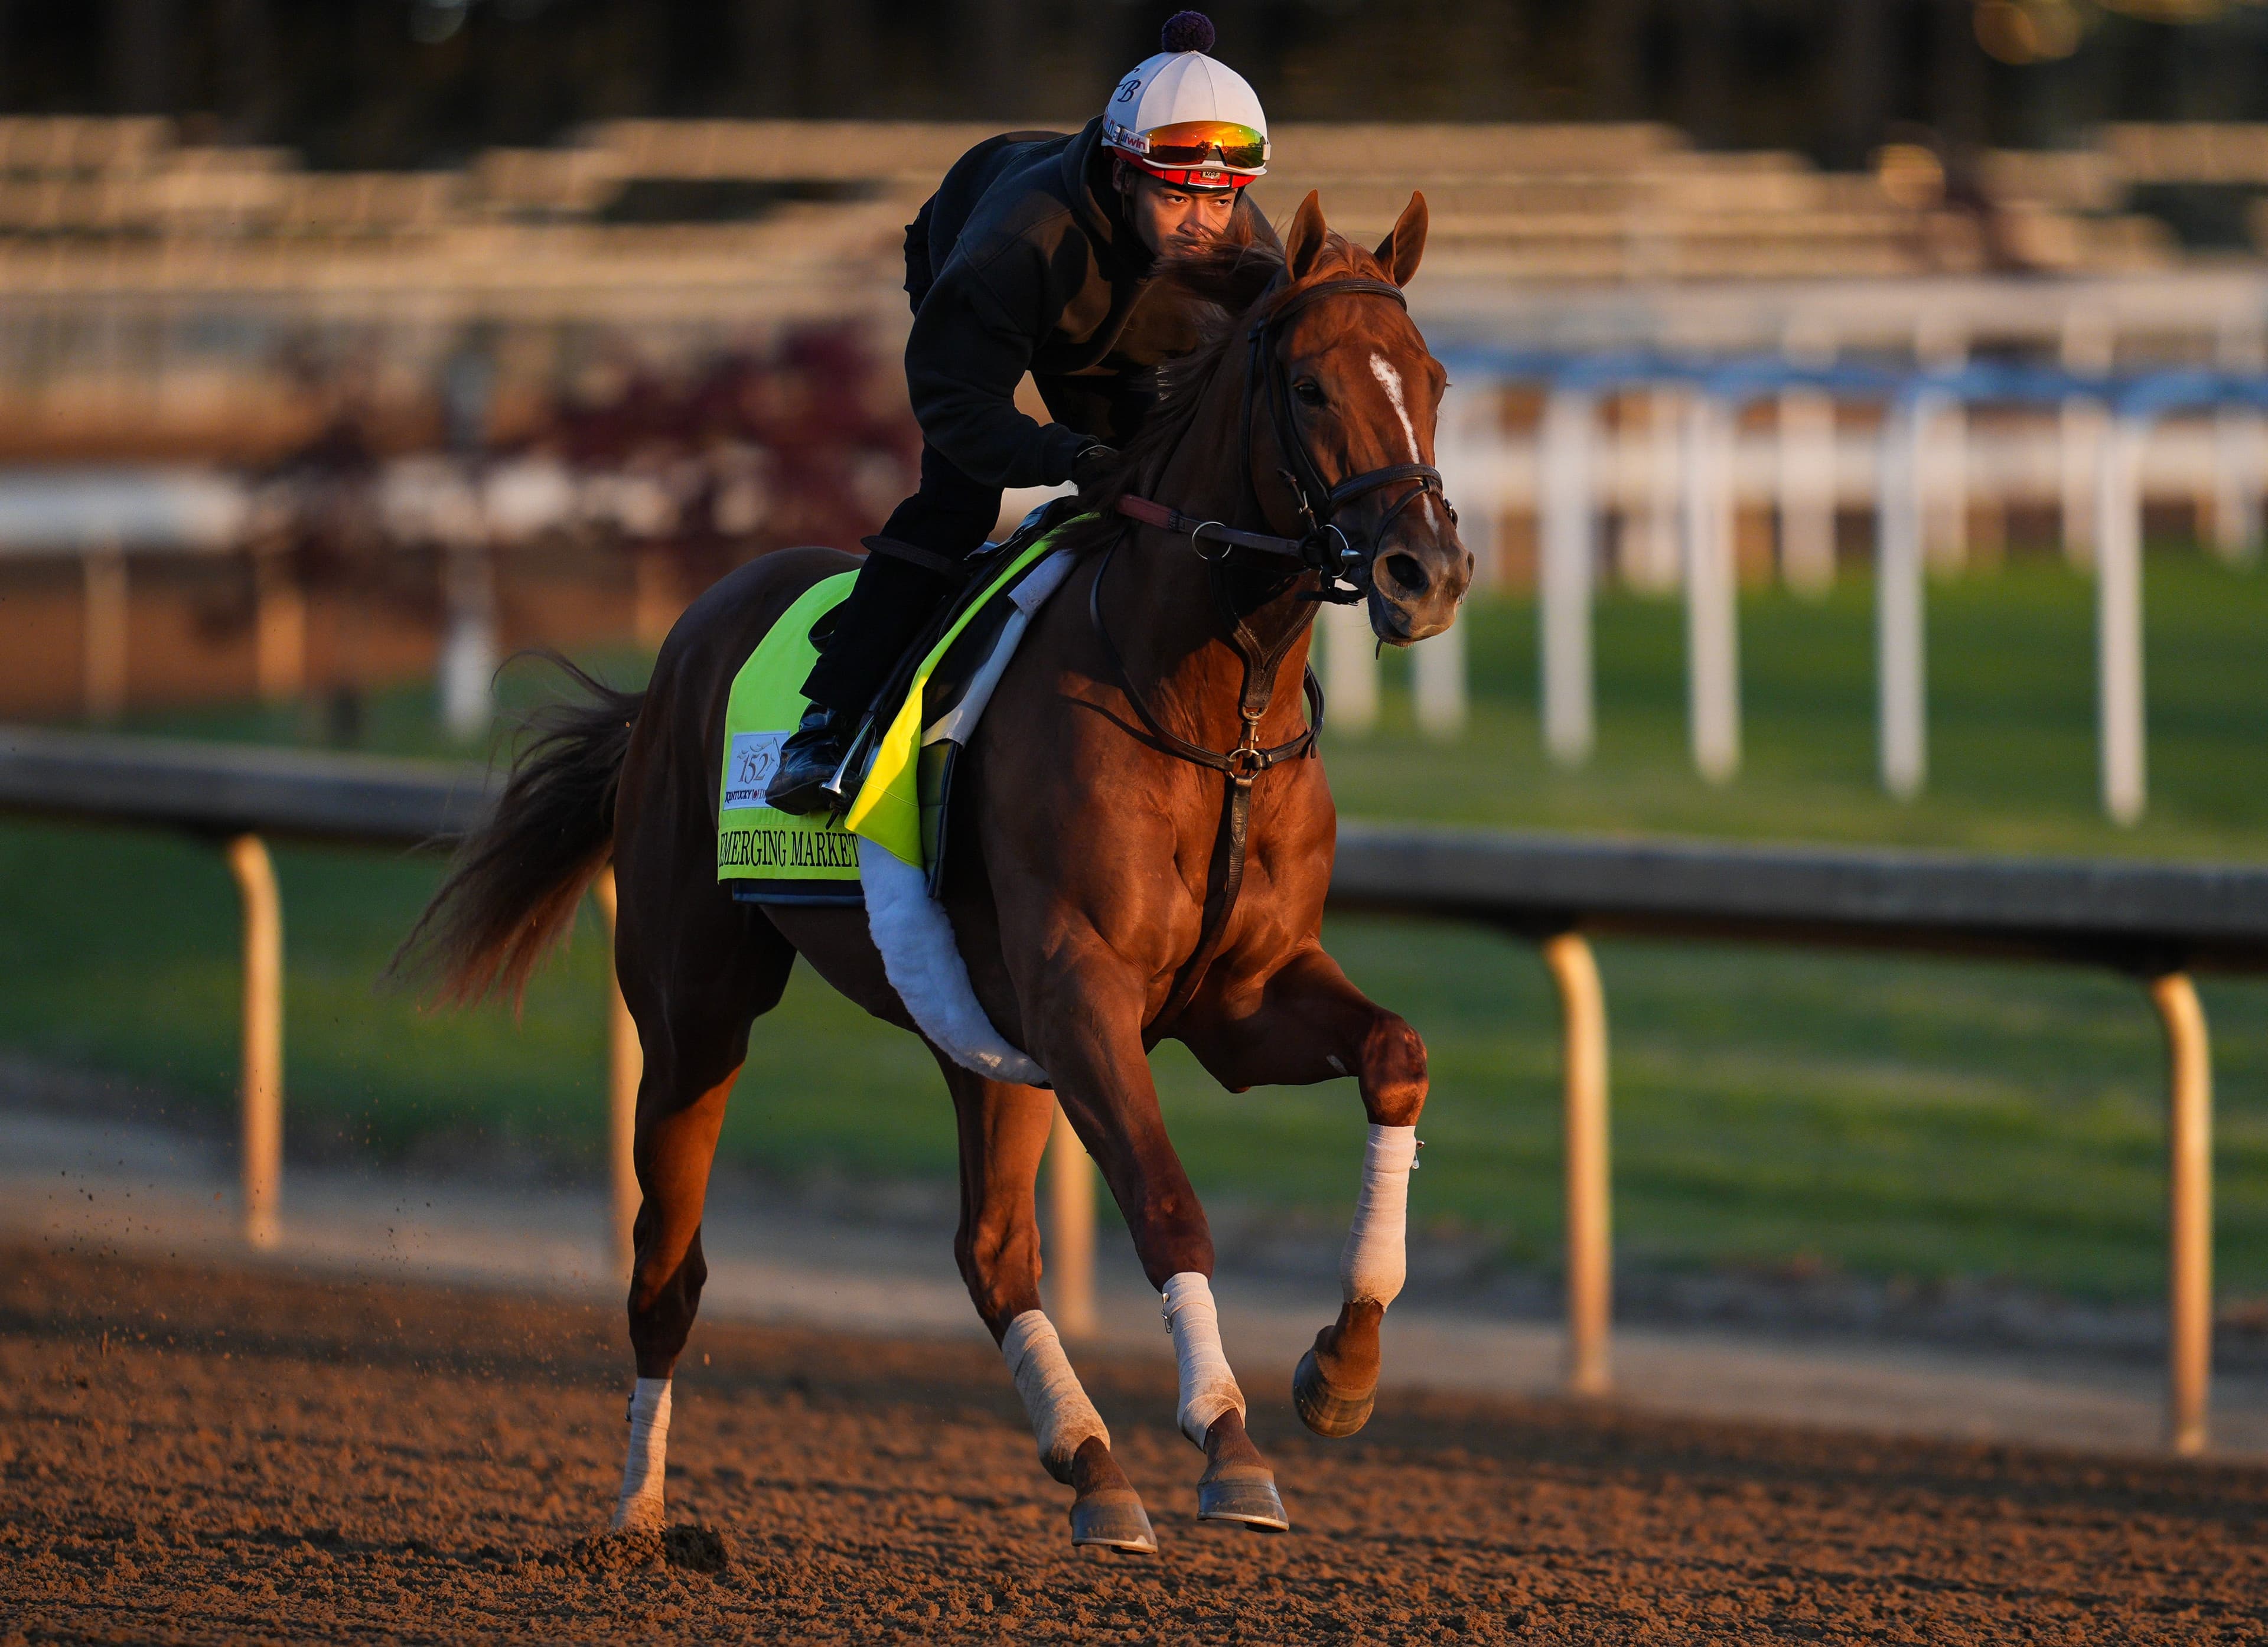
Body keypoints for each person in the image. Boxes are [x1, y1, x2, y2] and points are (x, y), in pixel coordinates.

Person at [764, 9, 1276, 813]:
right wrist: (1062, 456)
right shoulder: (1020, 237)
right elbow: (953, 402)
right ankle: (829, 722)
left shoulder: (1244, 246)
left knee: (1166, 489)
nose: (1203, 226)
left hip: (1129, 336)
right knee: (960, 497)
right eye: (1178, 197)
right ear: (1122, 173)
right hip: (979, 267)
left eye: (1222, 201)